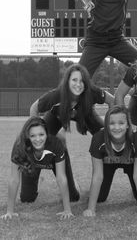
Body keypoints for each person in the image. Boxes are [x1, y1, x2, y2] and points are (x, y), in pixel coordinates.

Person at [30, 63, 114, 202]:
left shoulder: (91, 92)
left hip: (85, 114)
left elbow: (112, 100)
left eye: (82, 81)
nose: (78, 84)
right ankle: (37, 174)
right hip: (57, 117)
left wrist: (110, 124)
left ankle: (101, 184)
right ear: (67, 81)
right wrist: (35, 130)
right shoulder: (56, 95)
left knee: (105, 137)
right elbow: (34, 108)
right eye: (74, 80)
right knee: (41, 141)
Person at [83, 105, 137, 217]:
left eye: (121, 123)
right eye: (112, 123)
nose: (117, 127)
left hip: (132, 163)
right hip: (108, 163)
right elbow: (97, 175)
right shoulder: (98, 138)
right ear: (106, 125)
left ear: (128, 125)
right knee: (100, 198)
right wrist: (90, 209)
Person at [0, 117, 74, 220]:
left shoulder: (56, 143)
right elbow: (14, 179)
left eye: (41, 134)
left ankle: (74, 184)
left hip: (54, 161)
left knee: (73, 196)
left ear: (47, 134)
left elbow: (61, 177)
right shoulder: (20, 146)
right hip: (33, 162)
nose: (38, 139)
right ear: (27, 136)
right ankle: (37, 177)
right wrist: (10, 211)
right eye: (33, 136)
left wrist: (67, 210)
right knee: (27, 198)